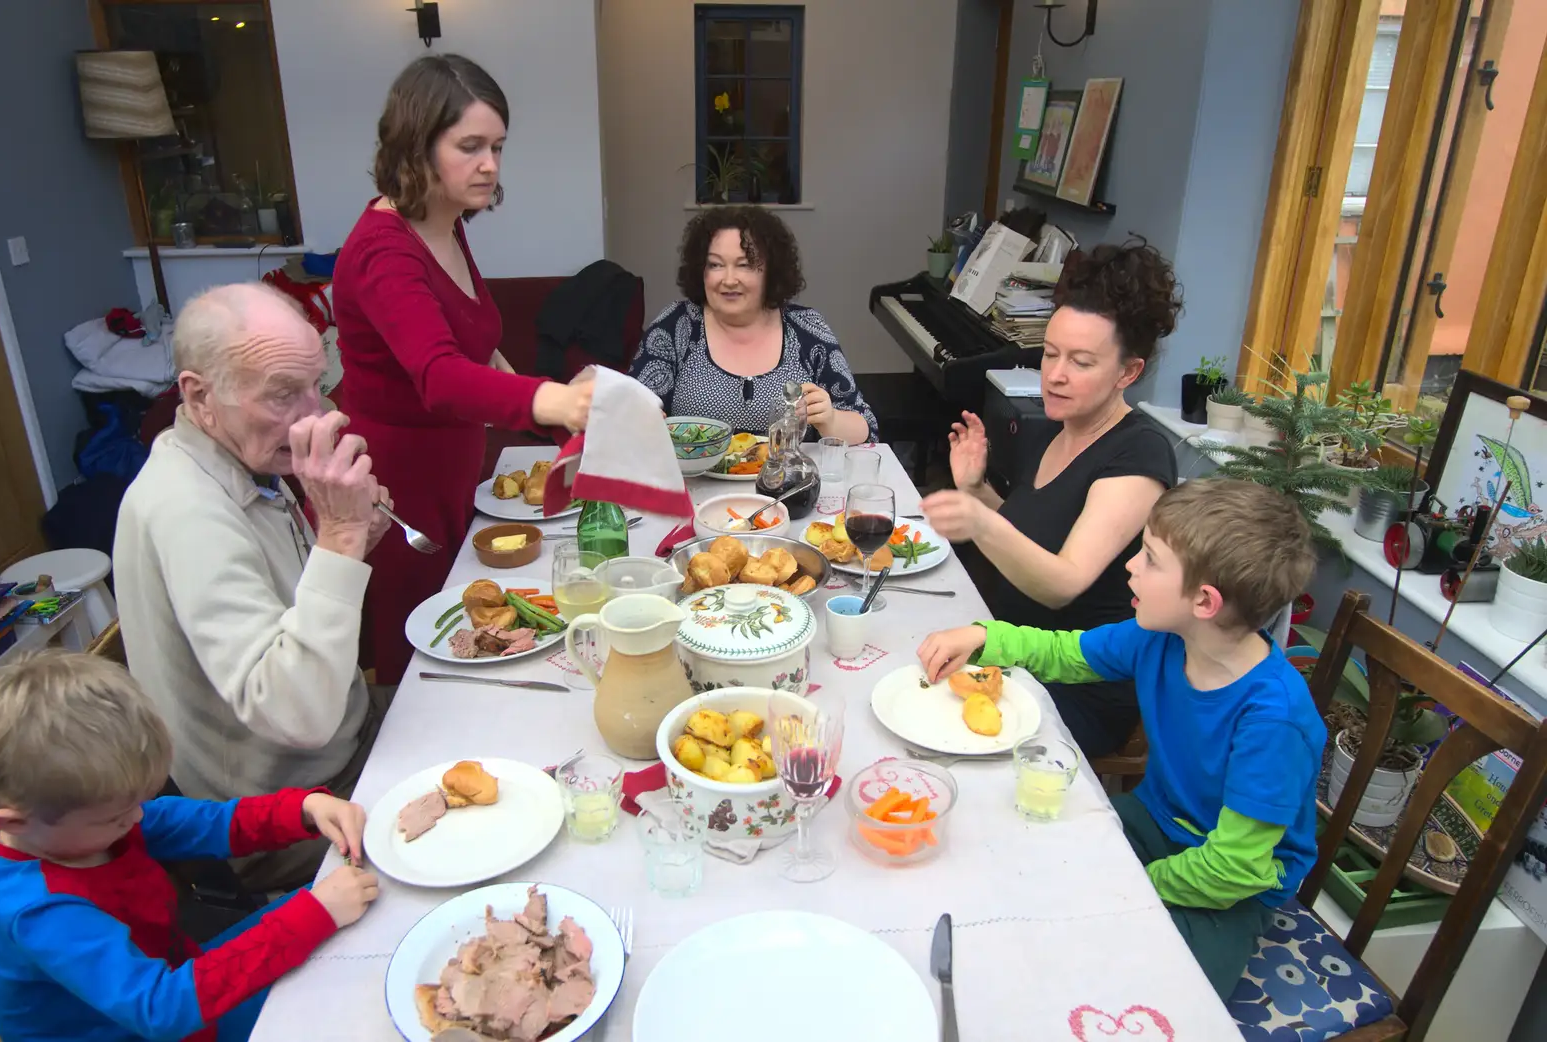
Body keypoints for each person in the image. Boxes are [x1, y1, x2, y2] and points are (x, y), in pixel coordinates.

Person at [917, 479, 1325, 1000]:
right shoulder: (1158, 636)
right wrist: (983, 637)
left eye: (1151, 559)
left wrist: (1131, 888)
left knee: (1150, 982)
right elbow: (1066, 654)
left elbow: (1235, 867)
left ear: (1204, 600)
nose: (1130, 565)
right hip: (1152, 821)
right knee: (1018, 865)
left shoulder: (1274, 719)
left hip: (1236, 892)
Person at [115, 282, 387, 893]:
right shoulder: (185, 509)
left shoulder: (242, 454)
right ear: (199, 395)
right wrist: (339, 534)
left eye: (317, 384)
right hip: (286, 810)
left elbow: (284, 616)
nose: (316, 415)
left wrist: (346, 543)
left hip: (346, 738)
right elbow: (299, 713)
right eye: (283, 395)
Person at [332, 54, 594, 684]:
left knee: (472, 631)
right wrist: (550, 400)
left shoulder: (443, 225)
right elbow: (441, 375)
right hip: (397, 480)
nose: (490, 165)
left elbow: (479, 349)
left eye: (498, 147)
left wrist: (543, 396)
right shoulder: (384, 249)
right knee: (420, 657)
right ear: (416, 147)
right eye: (470, 146)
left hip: (452, 466)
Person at [0, 651, 379, 1042]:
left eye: (138, 803)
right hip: (159, 1017)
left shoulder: (76, 826)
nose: (138, 819)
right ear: (14, 822)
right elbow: (162, 1009)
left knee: (362, 919)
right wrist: (311, 917)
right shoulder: (40, 912)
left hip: (176, 984)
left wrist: (301, 809)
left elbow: (199, 824)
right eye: (117, 817)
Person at [921, 237, 1179, 756]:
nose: (1055, 375)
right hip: (1009, 647)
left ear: (1128, 372)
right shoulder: (1058, 425)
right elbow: (1031, 531)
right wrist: (976, 489)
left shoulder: (1138, 457)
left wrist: (979, 522)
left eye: (1082, 362)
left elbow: (1064, 582)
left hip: (1072, 685)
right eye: (1051, 354)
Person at [629, 205, 877, 444]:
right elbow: (628, 413)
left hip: (786, 483)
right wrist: (642, 421)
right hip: (694, 484)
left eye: (744, 265)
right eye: (715, 264)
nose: (728, 280)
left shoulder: (806, 328)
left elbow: (865, 427)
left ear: (771, 271)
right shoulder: (676, 325)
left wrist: (830, 420)